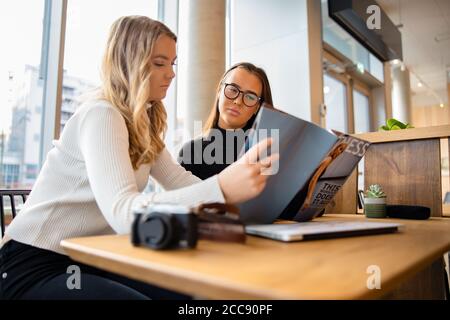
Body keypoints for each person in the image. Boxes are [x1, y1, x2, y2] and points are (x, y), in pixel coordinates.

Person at [0, 16, 277, 300]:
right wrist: (221, 187)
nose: (170, 73)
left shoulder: (142, 123)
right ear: (128, 62)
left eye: (172, 63)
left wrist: (240, 201)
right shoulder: (102, 114)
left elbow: (179, 180)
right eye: (159, 63)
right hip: (32, 264)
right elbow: (122, 212)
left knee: (190, 295)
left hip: (88, 258)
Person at [178, 62, 274, 179]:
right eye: (233, 90)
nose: (238, 101)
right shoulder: (191, 152)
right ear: (219, 91)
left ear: (257, 107)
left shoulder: (265, 152)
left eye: (250, 97)